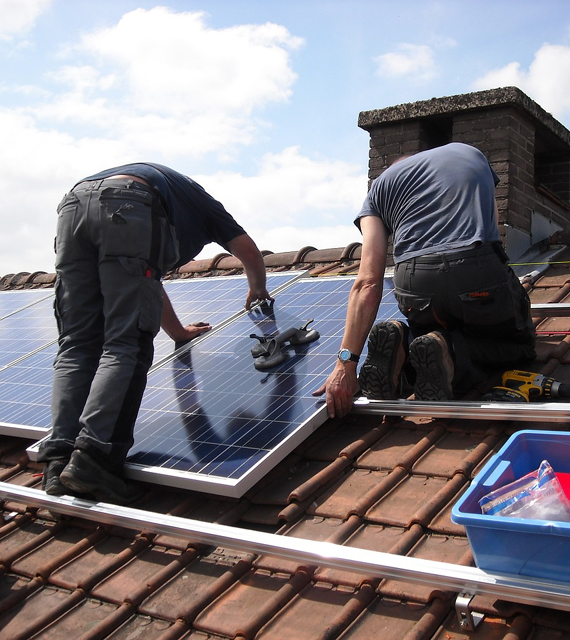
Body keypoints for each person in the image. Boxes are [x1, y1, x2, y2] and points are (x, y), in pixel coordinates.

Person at [38, 162, 272, 503]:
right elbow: (249, 252)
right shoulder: (206, 207)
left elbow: (146, 284)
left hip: (74, 205)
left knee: (77, 344)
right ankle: (94, 459)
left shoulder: (175, 196)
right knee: (126, 344)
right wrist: (258, 289)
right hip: (128, 203)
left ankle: (58, 463)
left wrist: (178, 332)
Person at [314, 142, 536, 418]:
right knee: (521, 345)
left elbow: (368, 281)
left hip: (414, 283)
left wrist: (346, 363)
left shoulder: (378, 189)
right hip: (475, 268)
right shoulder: (469, 153)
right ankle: (449, 351)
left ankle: (403, 342)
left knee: (429, 329)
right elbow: (492, 228)